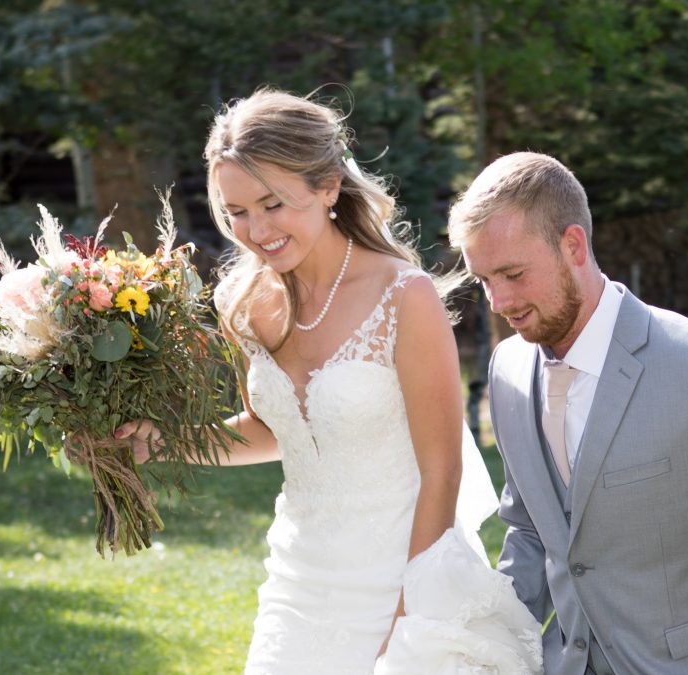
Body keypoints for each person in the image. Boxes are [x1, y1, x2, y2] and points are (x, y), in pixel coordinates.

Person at [116, 90, 541, 675]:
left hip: (406, 572)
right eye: (236, 211)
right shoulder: (239, 301)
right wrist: (163, 440)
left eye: (273, 204)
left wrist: (409, 617)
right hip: (300, 583)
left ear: (328, 188)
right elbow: (273, 432)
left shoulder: (404, 296)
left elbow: (442, 470)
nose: (256, 229)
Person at [448, 152, 688, 675]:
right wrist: (490, 651)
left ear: (573, 245)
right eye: (485, 280)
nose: (498, 301)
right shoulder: (508, 369)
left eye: (512, 273)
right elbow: (532, 531)